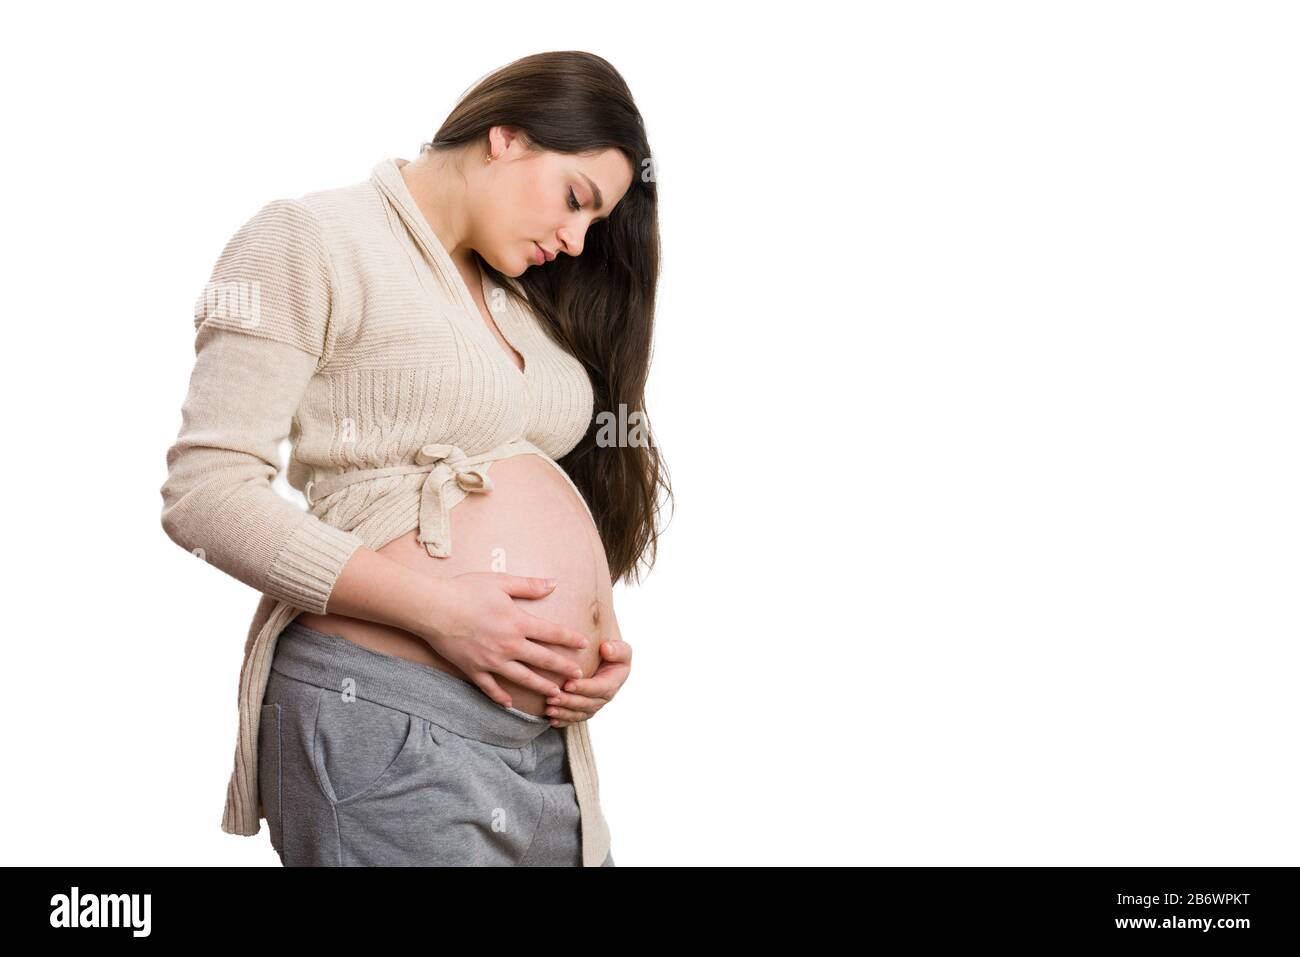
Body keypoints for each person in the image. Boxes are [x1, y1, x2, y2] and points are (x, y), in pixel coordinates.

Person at [160, 50, 669, 866]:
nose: (576, 240)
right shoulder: (312, 237)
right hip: (386, 718)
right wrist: (442, 612)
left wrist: (586, 648)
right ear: (505, 136)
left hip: (547, 754)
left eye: (595, 225)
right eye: (575, 200)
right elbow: (205, 492)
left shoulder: (515, 294)